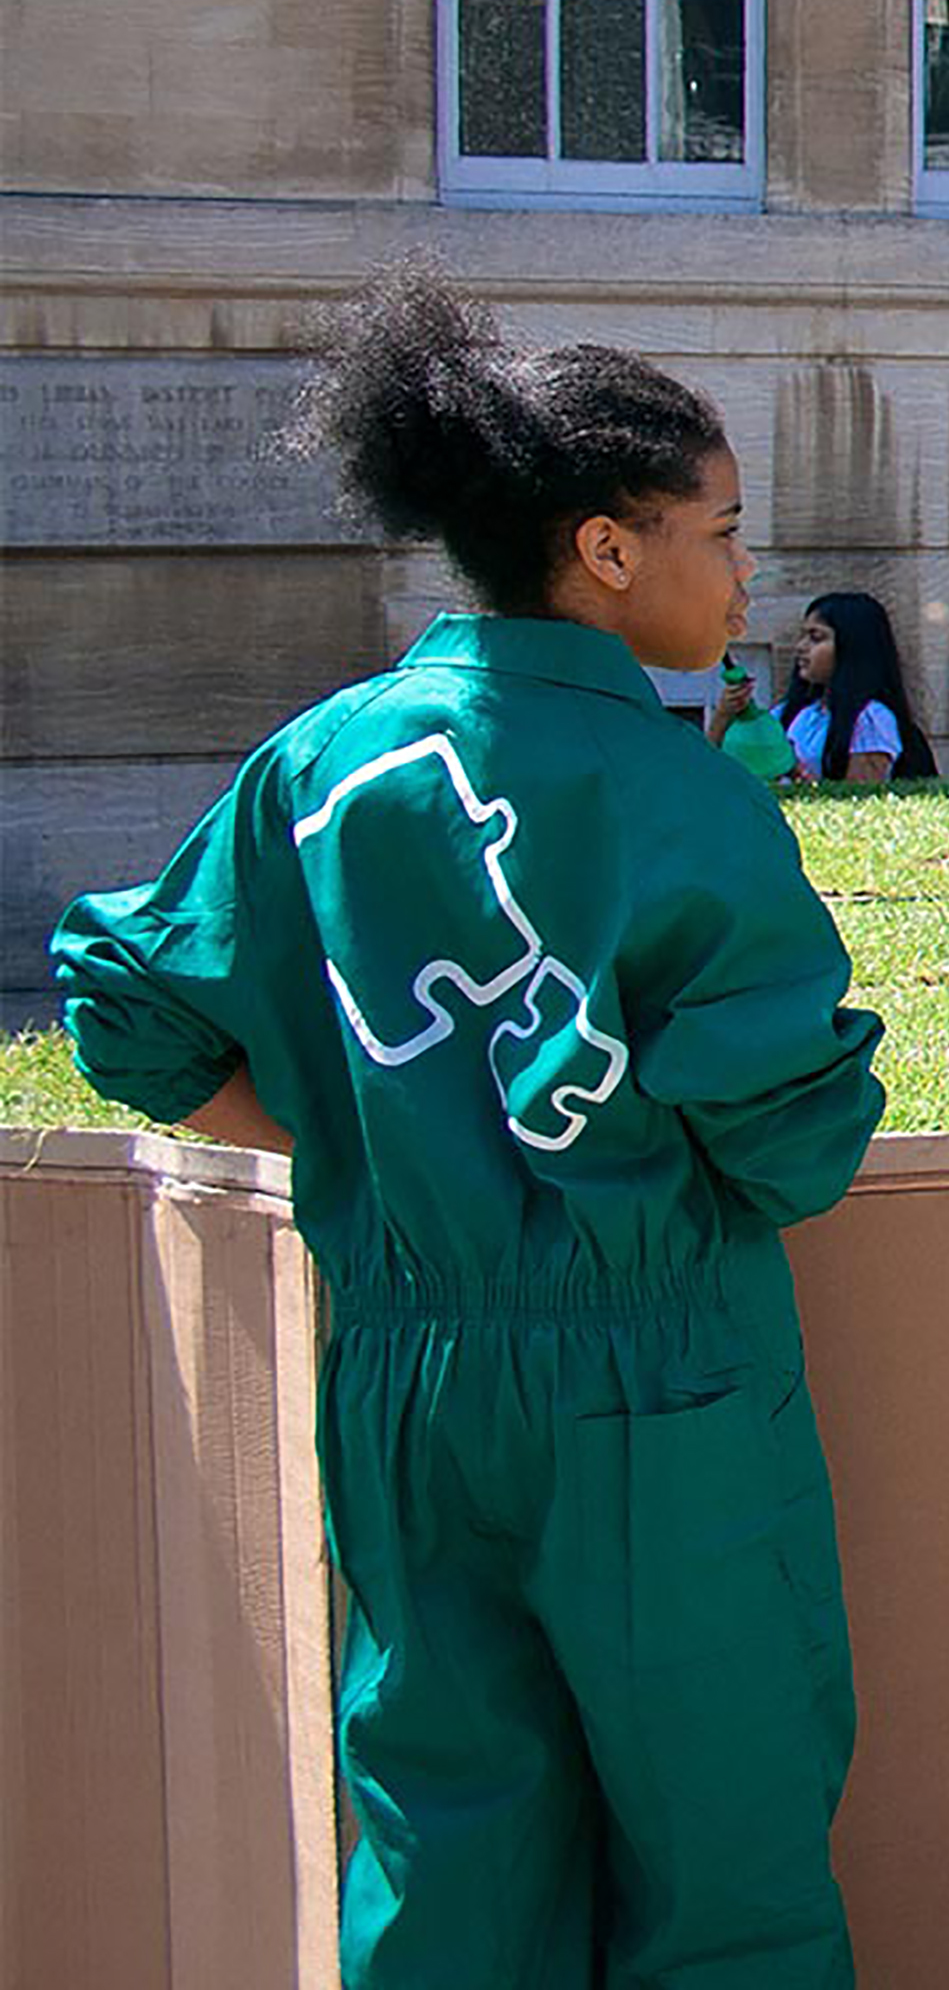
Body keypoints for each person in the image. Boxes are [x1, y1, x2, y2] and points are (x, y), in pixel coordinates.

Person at [45, 273, 880, 1989]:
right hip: (660, 1389)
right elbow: (794, 1142)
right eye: (721, 531)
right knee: (722, 1846)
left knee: (446, 1829)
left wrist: (345, 1146)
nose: (743, 574)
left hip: (406, 1380)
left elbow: (124, 1003)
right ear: (606, 549)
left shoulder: (317, 766)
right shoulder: (678, 797)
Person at [719, 589, 940, 784]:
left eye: (816, 638)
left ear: (851, 648)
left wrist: (797, 774)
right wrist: (724, 715)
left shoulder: (871, 719)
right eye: (803, 636)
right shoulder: (791, 714)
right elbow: (715, 764)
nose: (801, 647)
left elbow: (859, 803)